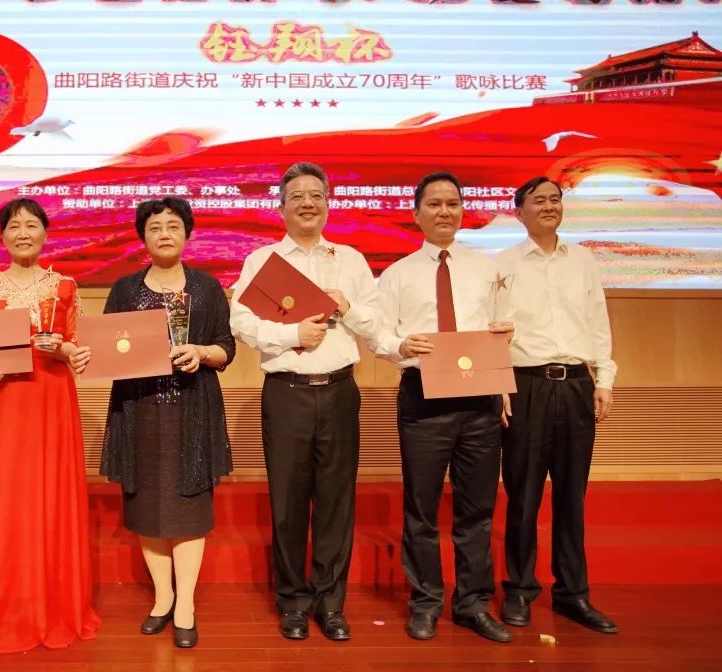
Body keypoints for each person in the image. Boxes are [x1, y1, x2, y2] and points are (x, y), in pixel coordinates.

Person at [230, 162, 382, 642]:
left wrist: (346, 307)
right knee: (288, 503)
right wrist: (292, 333)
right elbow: (241, 323)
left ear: (328, 203)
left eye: (316, 194)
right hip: (287, 393)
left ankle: (331, 605)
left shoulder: (350, 260)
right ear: (281, 208)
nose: (307, 203)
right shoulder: (263, 261)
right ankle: (293, 602)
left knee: (336, 502)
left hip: (339, 390)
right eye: (296, 196)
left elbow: (375, 323)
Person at [74, 197, 234, 649]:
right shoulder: (125, 289)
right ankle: (163, 599)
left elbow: (226, 347)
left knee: (189, 511)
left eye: (173, 226)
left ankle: (186, 605)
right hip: (139, 409)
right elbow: (106, 346)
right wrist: (87, 355)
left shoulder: (207, 288)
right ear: (143, 237)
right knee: (147, 509)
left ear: (187, 233)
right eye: (155, 227)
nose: (164, 233)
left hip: (193, 409)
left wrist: (201, 352)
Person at [0, 198, 100, 653]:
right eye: (14, 226)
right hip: (0, 400)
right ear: (2, 236)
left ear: (45, 233)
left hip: (50, 396)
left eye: (32, 225)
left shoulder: (65, 285)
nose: (23, 233)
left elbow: (79, 348)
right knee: (1, 497)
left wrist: (65, 351)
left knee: (46, 492)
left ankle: (51, 605)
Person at [371, 171, 512, 643]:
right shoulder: (398, 273)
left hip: (480, 397)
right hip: (423, 395)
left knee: (477, 508)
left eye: (452, 203)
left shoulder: (488, 269)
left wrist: (505, 339)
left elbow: (504, 325)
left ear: (463, 210)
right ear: (416, 214)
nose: (444, 211)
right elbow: (379, 333)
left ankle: (473, 604)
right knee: (422, 509)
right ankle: (426, 602)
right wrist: (399, 345)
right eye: (434, 204)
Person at [496, 176, 618, 634]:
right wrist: (497, 385)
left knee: (572, 495)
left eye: (555, 199)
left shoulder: (583, 260)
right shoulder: (502, 265)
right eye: (538, 201)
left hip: (576, 385)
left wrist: (604, 378)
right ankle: (519, 590)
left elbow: (598, 322)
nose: (549, 206)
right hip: (525, 385)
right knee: (523, 494)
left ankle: (573, 593)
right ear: (518, 212)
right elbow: (492, 329)